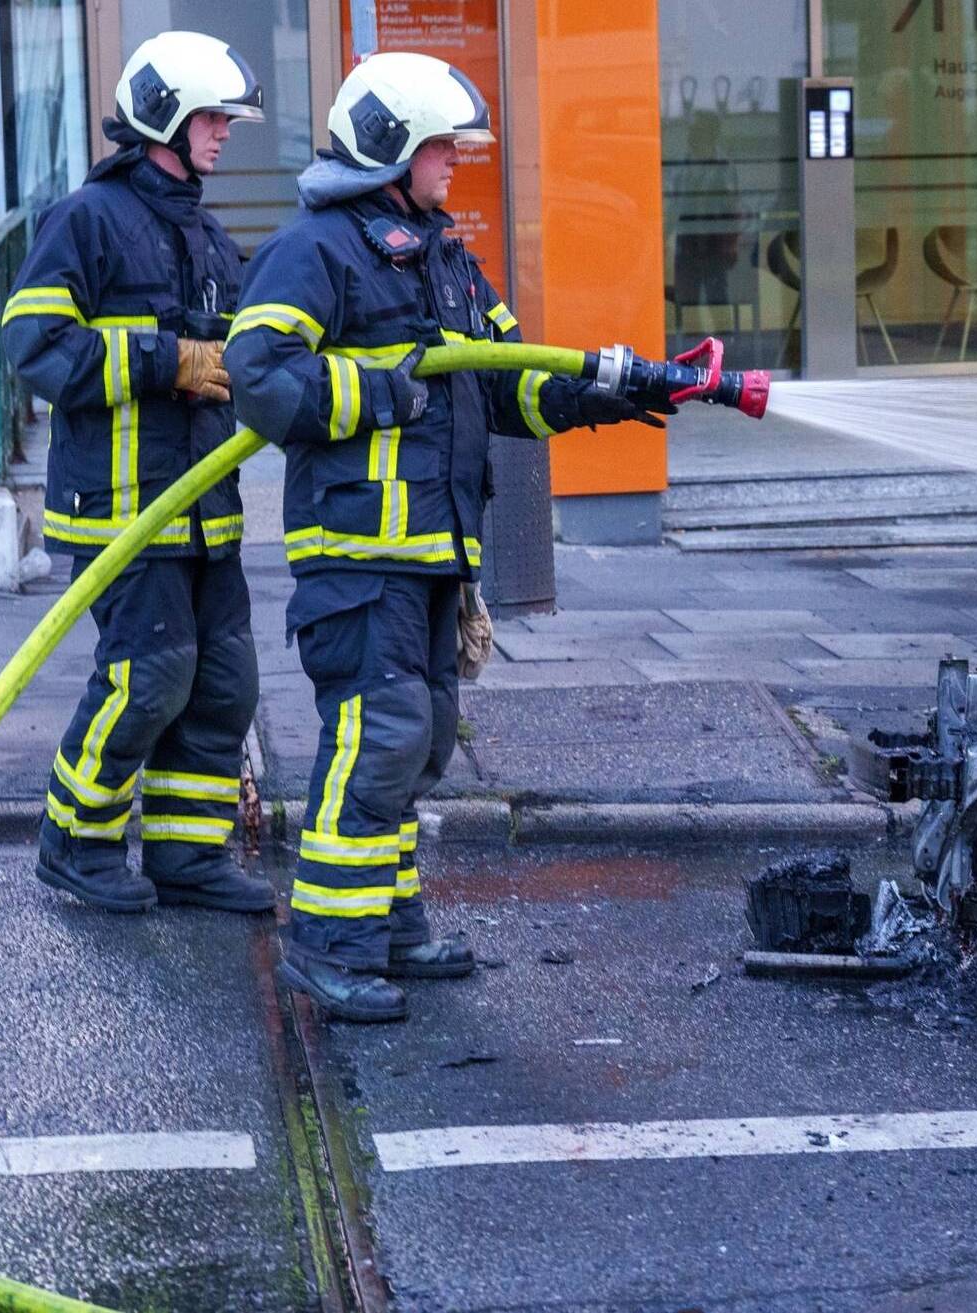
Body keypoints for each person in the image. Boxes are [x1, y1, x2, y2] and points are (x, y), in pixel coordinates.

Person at [226, 52, 664, 1022]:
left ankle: (387, 925)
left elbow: (509, 381)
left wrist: (607, 394)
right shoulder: (315, 252)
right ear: (389, 148)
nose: (455, 161)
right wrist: (384, 390)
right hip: (358, 558)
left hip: (432, 555)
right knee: (377, 740)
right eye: (439, 146)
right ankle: (326, 944)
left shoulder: (444, 258)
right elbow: (258, 376)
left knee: (418, 743)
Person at [2, 32, 271, 916]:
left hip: (204, 509)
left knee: (223, 682)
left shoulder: (208, 235)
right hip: (121, 507)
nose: (225, 133)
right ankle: (74, 840)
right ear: (167, 118)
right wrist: (166, 359)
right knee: (149, 677)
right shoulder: (87, 221)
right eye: (212, 118)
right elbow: (35, 344)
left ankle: (187, 854)